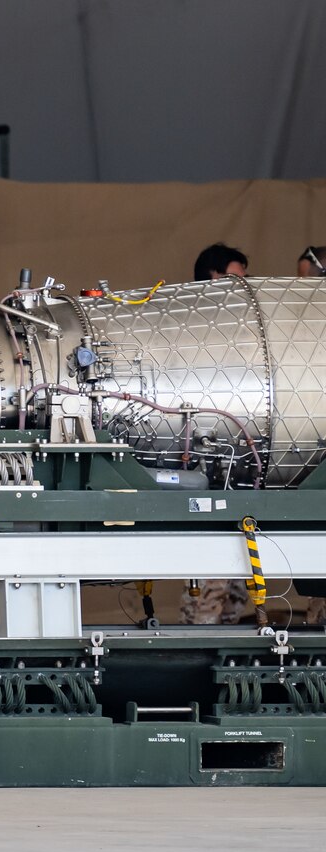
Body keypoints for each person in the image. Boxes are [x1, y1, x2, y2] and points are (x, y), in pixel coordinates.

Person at [184, 243, 251, 623]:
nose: (244, 287)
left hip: (239, 469)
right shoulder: (197, 325)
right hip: (208, 468)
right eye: (236, 278)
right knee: (210, 584)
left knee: (236, 590)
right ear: (214, 277)